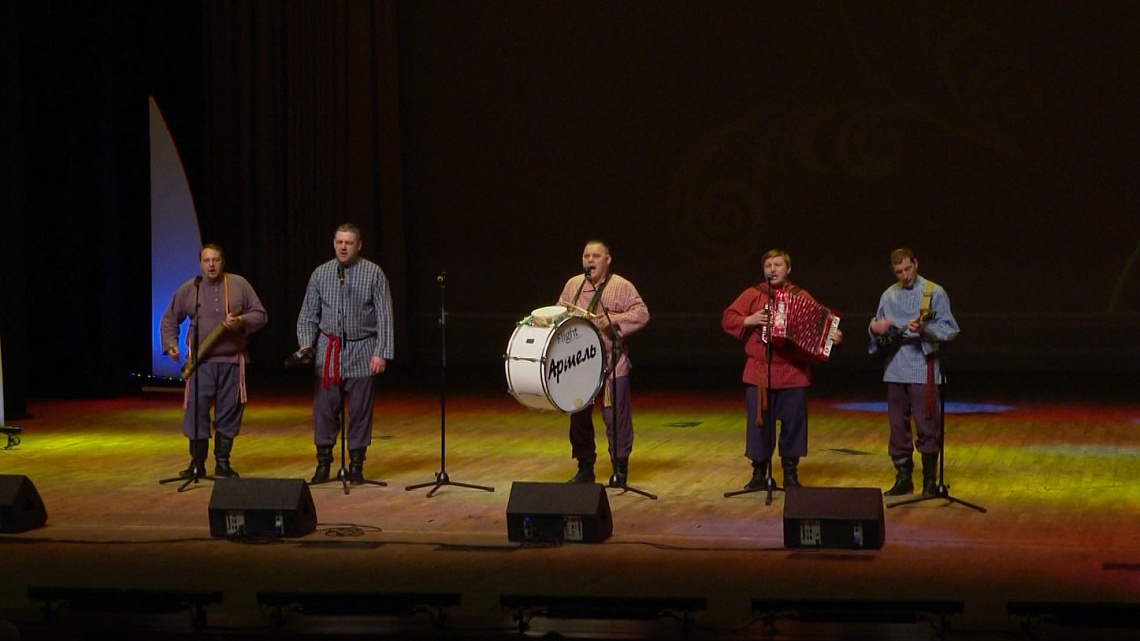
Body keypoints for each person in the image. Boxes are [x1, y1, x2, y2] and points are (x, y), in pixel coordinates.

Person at [721, 248, 842, 490]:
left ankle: (790, 473)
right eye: (768, 266)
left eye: (777, 265)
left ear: (788, 269)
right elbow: (727, 318)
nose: (772, 270)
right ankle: (759, 474)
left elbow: (821, 325)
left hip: (792, 371)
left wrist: (833, 337)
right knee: (758, 425)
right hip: (760, 371)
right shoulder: (753, 294)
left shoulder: (801, 295)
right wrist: (749, 320)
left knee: (794, 424)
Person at [296, 223, 394, 484]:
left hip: (363, 347)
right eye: (339, 241)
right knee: (325, 409)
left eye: (348, 242)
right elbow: (308, 315)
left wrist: (381, 352)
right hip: (329, 350)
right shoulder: (321, 274)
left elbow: (384, 316)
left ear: (358, 245)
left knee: (360, 409)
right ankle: (324, 463)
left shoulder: (373, 273)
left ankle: (357, 465)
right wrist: (306, 346)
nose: (343, 247)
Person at [160, 244, 268, 478]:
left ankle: (223, 463)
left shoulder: (239, 285)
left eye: (215, 260)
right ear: (200, 263)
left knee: (229, 412)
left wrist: (240, 321)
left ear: (223, 261)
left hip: (231, 361)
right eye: (207, 260)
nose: (211, 265)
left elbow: (260, 315)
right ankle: (197, 463)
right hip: (201, 363)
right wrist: (170, 344)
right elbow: (169, 319)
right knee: (196, 411)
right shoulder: (191, 289)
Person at [559, 240, 650, 487]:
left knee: (614, 417)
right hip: (580, 365)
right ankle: (585, 466)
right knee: (578, 416)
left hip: (611, 363)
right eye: (586, 255)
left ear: (607, 260)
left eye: (596, 256)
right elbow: (560, 313)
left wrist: (616, 320)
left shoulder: (620, 286)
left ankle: (619, 468)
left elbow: (642, 314)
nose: (590, 260)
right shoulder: (573, 286)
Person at [869, 247, 959, 496]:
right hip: (896, 366)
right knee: (897, 425)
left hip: (923, 365)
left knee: (926, 422)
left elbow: (950, 329)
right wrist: (877, 328)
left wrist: (924, 331)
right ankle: (903, 477)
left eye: (908, 269)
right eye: (899, 272)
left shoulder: (933, 292)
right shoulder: (888, 295)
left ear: (916, 264)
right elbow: (877, 329)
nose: (905, 275)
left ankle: (929, 480)